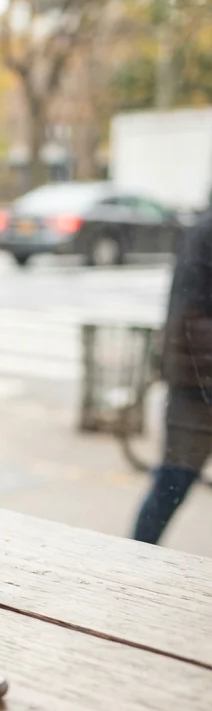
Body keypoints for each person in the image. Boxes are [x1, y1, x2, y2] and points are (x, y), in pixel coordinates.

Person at [132, 212, 212, 544]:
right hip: (197, 387)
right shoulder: (205, 234)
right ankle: (135, 562)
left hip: (194, 383)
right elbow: (189, 318)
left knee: (173, 481)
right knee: (173, 482)